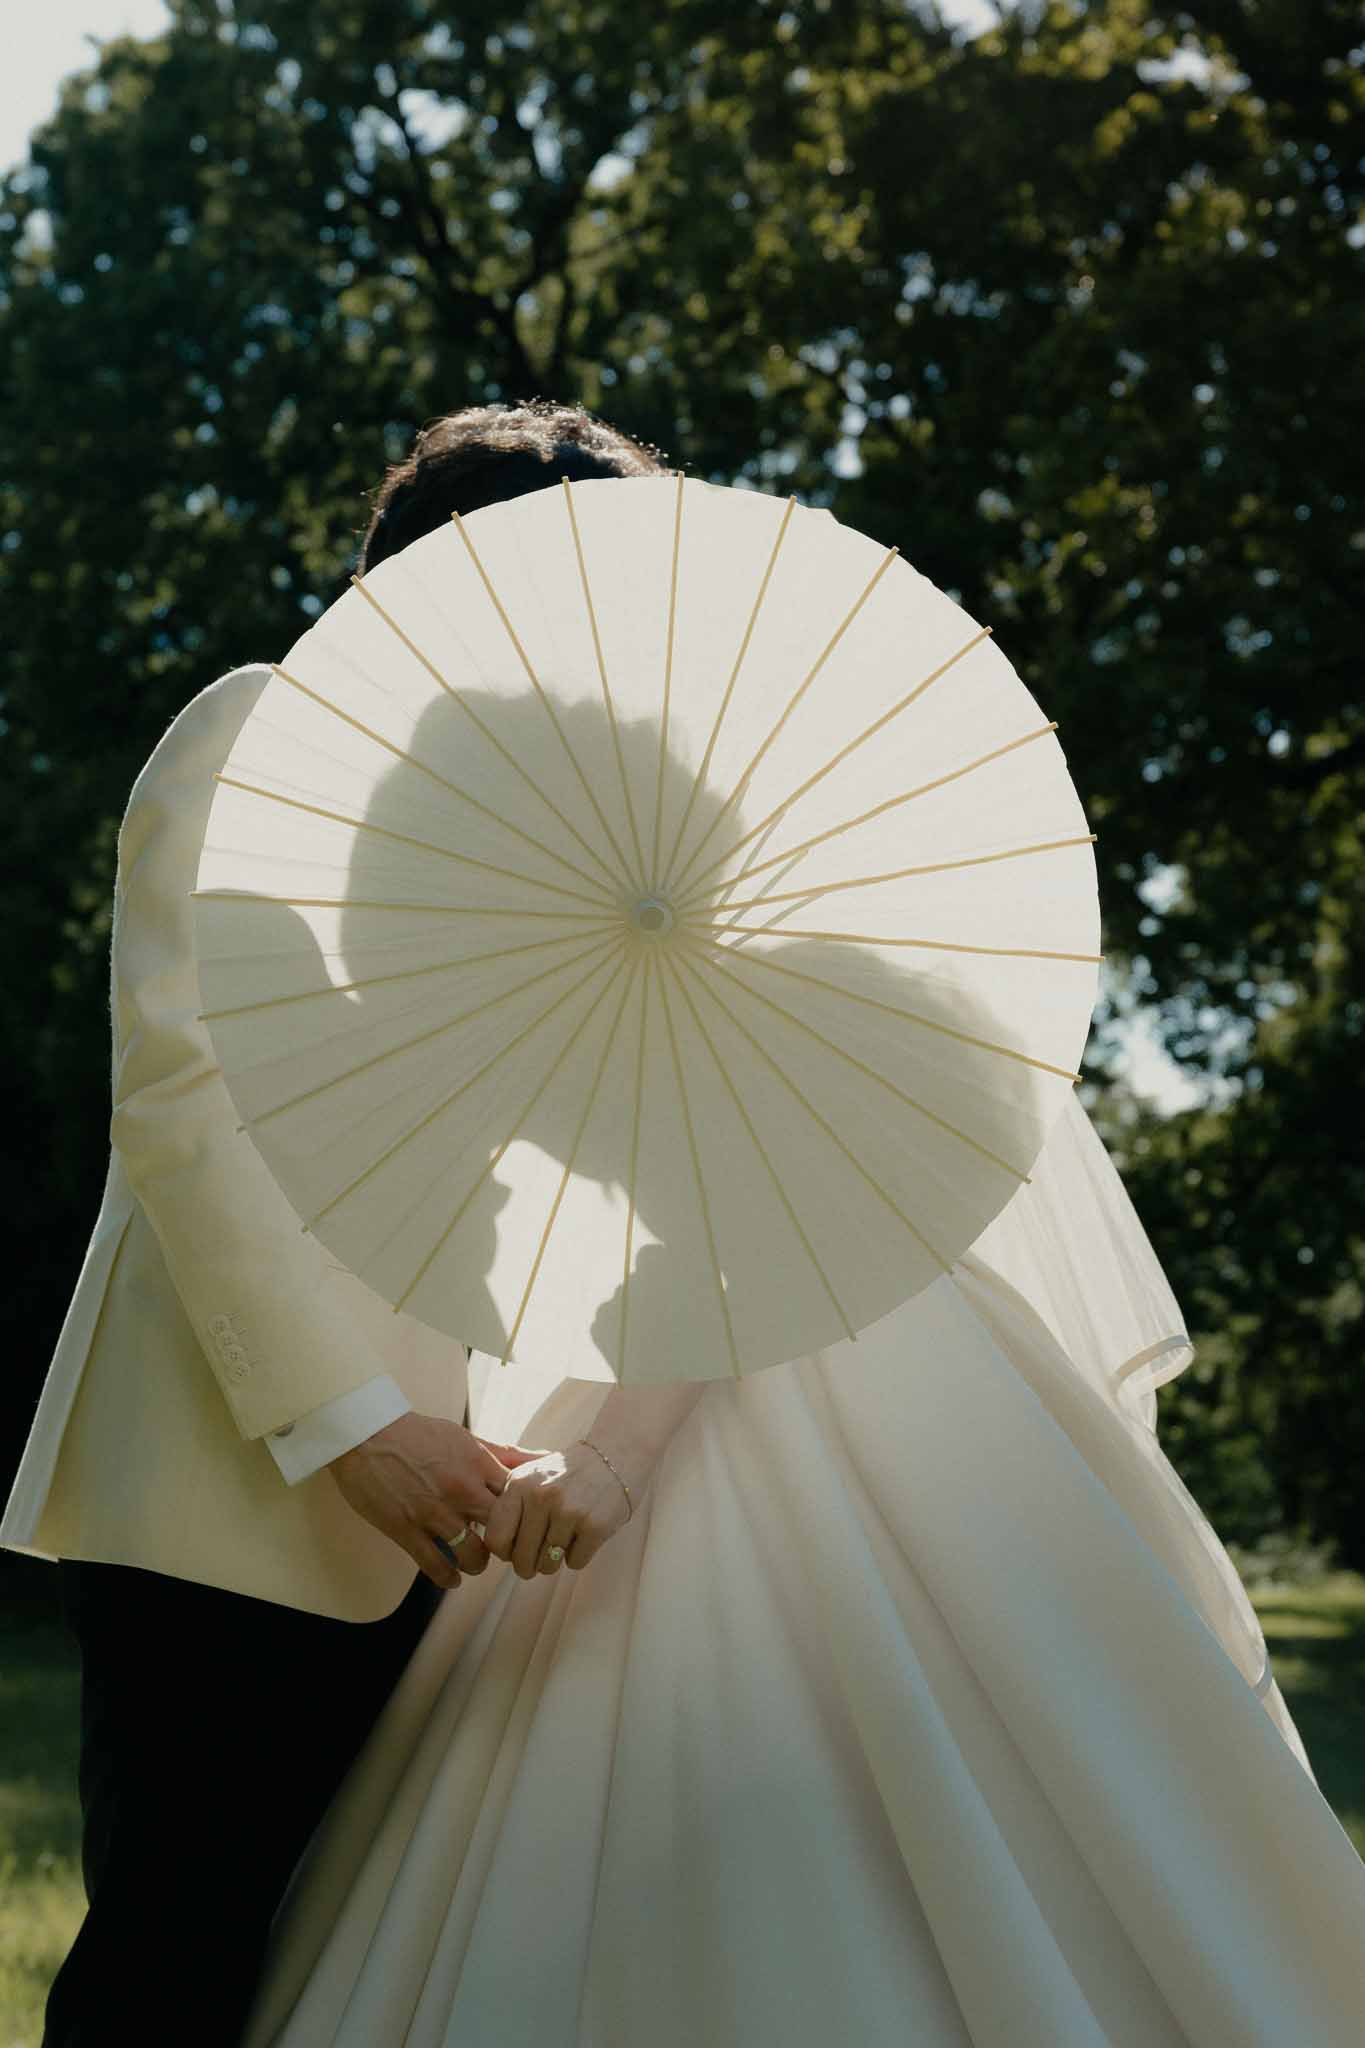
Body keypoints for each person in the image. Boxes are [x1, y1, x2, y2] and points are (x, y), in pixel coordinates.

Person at [223, 412, 1365, 2045]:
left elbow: (775, 1160)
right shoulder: (529, 847)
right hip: (668, 1334)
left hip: (824, 1346)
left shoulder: (675, 825)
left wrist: (615, 1455)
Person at [0, 400, 675, 2048]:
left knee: (343, 1986)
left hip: (440, 1504)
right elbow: (186, 1104)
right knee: (181, 1963)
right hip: (235, 1483)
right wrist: (348, 1428)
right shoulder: (254, 730)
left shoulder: (539, 846)